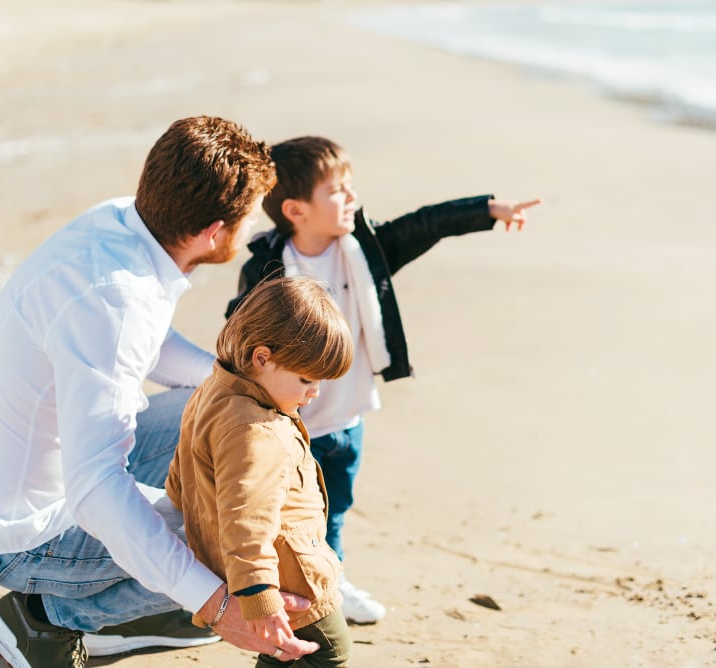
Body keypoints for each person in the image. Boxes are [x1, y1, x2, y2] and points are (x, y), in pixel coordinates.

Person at [0, 116, 321, 668]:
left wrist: (257, 386)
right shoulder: (113, 299)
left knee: (245, 422)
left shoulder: (124, 224)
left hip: (44, 478)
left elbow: (153, 346)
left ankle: (137, 604)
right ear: (215, 232)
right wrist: (218, 605)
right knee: (226, 542)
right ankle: (46, 616)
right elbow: (96, 489)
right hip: (19, 537)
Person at [226, 135, 541, 624]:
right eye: (337, 190)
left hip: (345, 420)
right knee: (282, 513)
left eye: (351, 186)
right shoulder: (267, 270)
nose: (352, 198)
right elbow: (238, 337)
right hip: (289, 425)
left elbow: (424, 225)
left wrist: (488, 210)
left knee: (333, 513)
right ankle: (280, 591)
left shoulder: (363, 251)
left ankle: (329, 585)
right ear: (295, 209)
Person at [167, 276, 354, 667]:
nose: (314, 391)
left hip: (271, 569)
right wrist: (259, 594)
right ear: (263, 357)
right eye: (306, 378)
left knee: (283, 657)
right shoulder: (255, 430)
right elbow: (247, 520)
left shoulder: (215, 389)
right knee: (330, 652)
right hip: (289, 577)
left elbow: (181, 470)